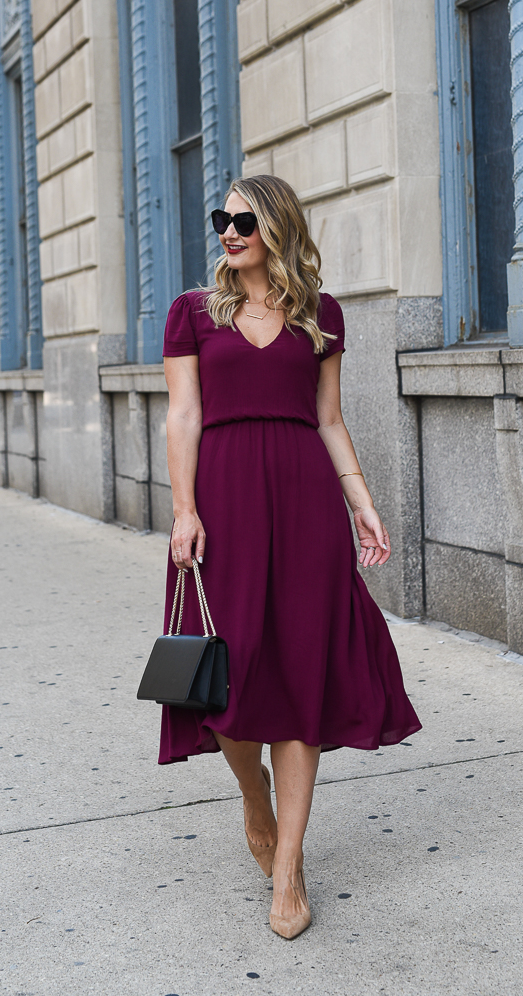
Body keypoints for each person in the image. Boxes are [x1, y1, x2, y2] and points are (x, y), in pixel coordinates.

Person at [161, 175, 422, 940]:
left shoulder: (321, 316)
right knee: (227, 680)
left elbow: (330, 420)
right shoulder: (192, 314)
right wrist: (183, 510)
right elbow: (183, 416)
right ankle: (253, 796)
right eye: (222, 219)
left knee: (301, 676)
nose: (230, 231)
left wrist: (362, 501)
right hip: (224, 508)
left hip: (307, 508)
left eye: (244, 219)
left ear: (278, 227)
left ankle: (290, 868)